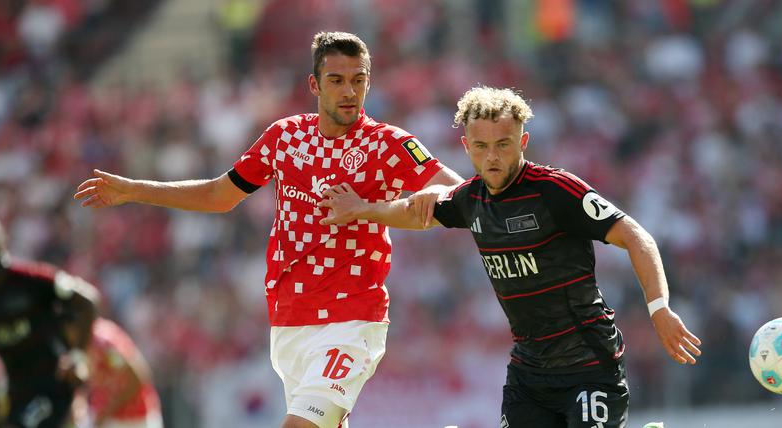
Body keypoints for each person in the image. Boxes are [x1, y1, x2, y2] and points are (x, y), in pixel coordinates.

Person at [73, 31, 463, 428]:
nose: (349, 91)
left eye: (358, 80)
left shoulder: (389, 144)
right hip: (289, 319)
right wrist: (134, 189)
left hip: (351, 319)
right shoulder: (284, 137)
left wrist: (369, 209)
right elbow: (219, 195)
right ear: (314, 84)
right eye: (336, 80)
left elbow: (454, 189)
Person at [318, 86, 702, 427]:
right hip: (529, 373)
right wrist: (362, 208)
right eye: (481, 147)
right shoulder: (470, 199)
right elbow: (413, 214)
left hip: (589, 365)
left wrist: (659, 308)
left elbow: (636, 235)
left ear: (523, 142)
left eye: (503, 144)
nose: (492, 157)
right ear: (467, 147)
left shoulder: (555, 191)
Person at [0, 215, 100, 428]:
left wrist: (77, 356)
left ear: (3, 242)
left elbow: (87, 300)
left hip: (55, 387)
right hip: (17, 393)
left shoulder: (32, 280)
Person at [83, 317, 162, 428]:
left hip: (133, 419)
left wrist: (107, 412)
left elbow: (138, 376)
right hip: (108, 417)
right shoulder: (81, 343)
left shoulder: (103, 345)